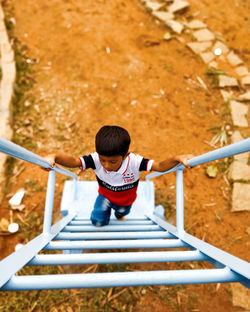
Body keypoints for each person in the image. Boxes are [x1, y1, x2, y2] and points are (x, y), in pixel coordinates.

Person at [45, 125, 193, 226]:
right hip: (105, 197)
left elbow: (160, 166)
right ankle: (102, 223)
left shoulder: (135, 162)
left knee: (121, 213)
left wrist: (176, 159)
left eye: (113, 161)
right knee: (97, 219)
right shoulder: (95, 159)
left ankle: (119, 216)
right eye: (103, 160)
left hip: (126, 201)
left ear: (125, 155)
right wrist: (55, 156)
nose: (106, 165)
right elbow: (74, 161)